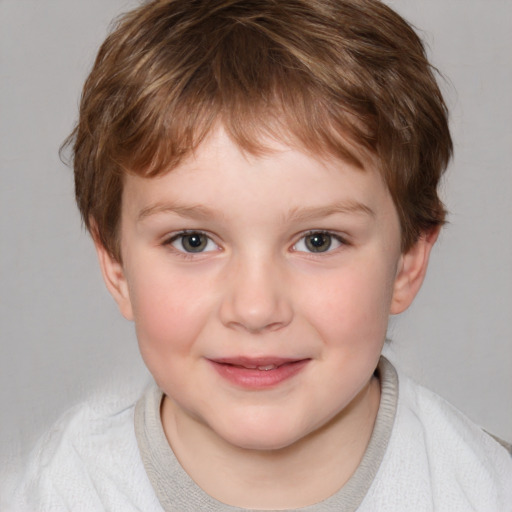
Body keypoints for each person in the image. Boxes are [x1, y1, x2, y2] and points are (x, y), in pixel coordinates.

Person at [6, 0, 512, 510]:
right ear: (116, 267)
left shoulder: (485, 489)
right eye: (193, 241)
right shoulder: (56, 493)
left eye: (318, 241)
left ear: (407, 261)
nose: (255, 309)